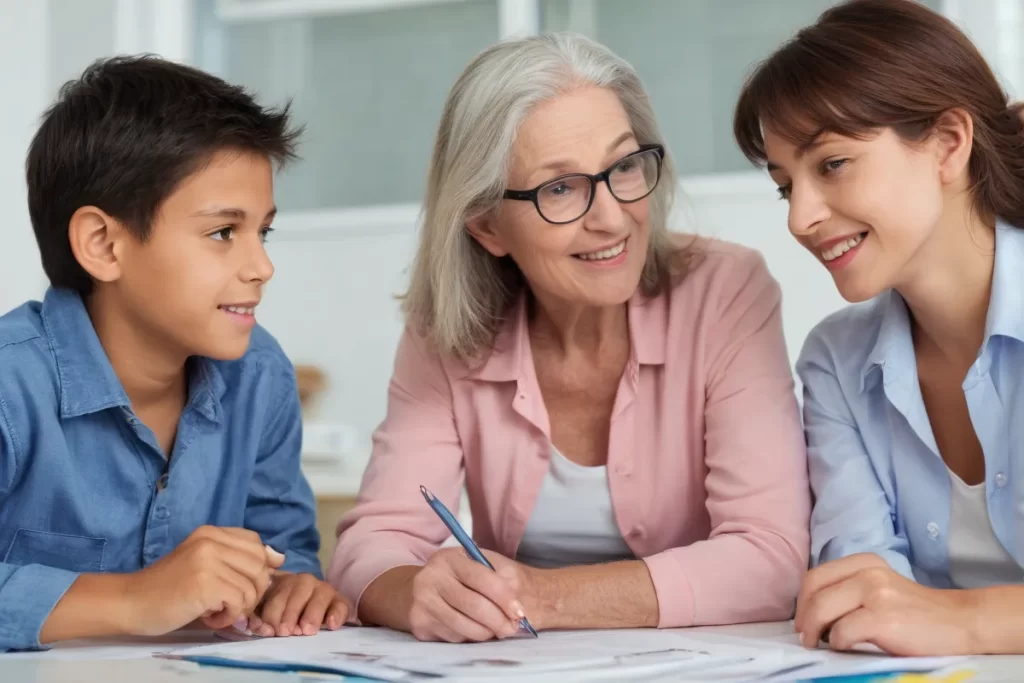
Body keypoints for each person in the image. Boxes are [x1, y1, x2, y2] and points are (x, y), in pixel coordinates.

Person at [329, 32, 810, 643]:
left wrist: (544, 596)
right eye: (560, 188)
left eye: (624, 167)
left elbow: (770, 557)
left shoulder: (726, 291)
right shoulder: (447, 330)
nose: (610, 217)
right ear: (485, 225)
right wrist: (414, 592)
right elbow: (373, 542)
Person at [0, 56, 349, 652]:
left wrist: (292, 588)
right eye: (222, 233)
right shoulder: (12, 384)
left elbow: (285, 549)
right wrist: (137, 599)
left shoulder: (259, 376)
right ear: (103, 244)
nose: (262, 267)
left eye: (262, 232)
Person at [733, 0, 1024, 656]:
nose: (800, 217)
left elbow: (909, 611)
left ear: (950, 142)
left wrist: (965, 620)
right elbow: (862, 596)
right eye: (785, 186)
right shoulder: (835, 362)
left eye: (831, 164)